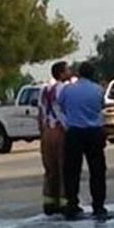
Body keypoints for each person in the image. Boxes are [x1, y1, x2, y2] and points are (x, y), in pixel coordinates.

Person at [60, 62, 109, 220]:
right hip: (94, 132)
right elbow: (101, 106)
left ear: (79, 73)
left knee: (72, 171)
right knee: (97, 170)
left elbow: (62, 106)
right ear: (93, 74)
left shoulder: (68, 90)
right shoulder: (98, 90)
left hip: (74, 132)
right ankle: (98, 206)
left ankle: (72, 204)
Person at [37, 61, 72, 215]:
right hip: (60, 130)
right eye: (67, 70)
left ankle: (50, 202)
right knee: (64, 167)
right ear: (61, 73)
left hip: (46, 131)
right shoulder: (64, 89)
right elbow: (67, 110)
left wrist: (42, 132)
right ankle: (65, 202)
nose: (70, 72)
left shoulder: (44, 89)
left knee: (50, 169)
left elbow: (40, 113)